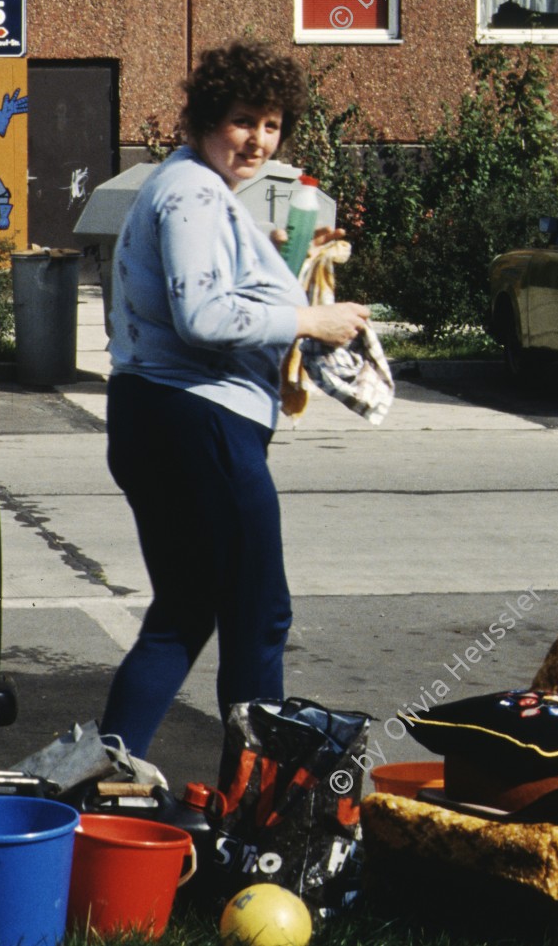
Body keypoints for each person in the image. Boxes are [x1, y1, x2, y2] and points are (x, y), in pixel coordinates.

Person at [99, 41, 370, 757]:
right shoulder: (192, 191)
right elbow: (205, 317)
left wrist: (282, 255)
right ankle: (255, 810)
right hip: (201, 419)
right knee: (259, 616)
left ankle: (102, 775)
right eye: (243, 120)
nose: (258, 139)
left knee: (185, 610)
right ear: (205, 118)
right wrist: (313, 319)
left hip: (154, 414)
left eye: (272, 124)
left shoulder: (189, 186)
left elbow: (213, 283)